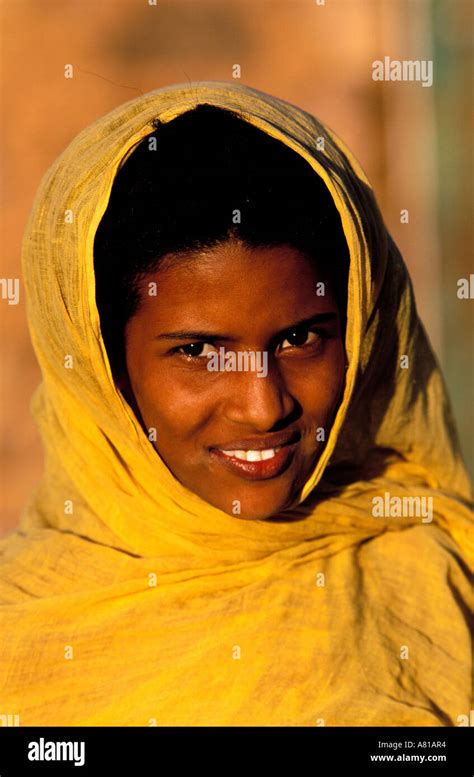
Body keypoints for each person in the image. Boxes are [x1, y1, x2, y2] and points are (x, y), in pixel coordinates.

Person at [0, 81, 471, 726]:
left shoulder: (438, 576)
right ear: (103, 363)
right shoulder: (21, 642)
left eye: (301, 338)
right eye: (199, 351)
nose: (261, 406)